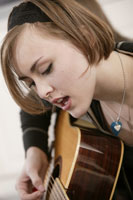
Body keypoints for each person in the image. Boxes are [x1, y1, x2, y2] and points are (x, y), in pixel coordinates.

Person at [1, 0, 133, 199]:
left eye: (46, 69)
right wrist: (35, 150)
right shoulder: (72, 87)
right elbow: (32, 108)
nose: (43, 92)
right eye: (31, 83)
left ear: (86, 39)